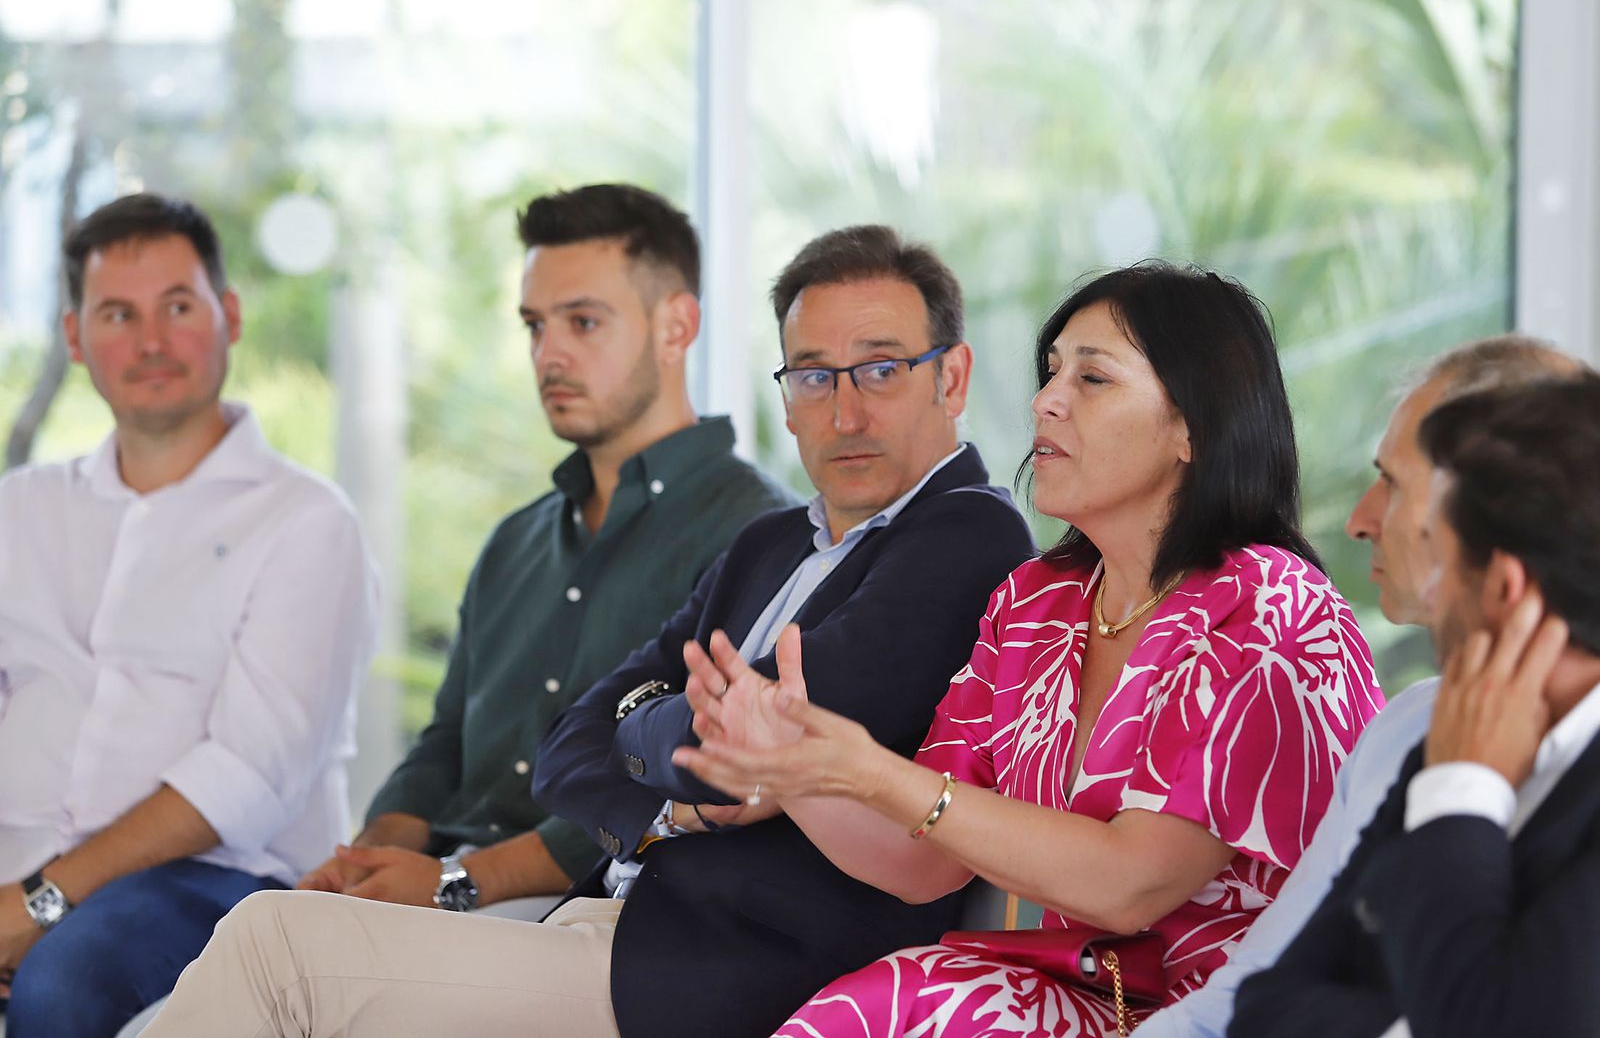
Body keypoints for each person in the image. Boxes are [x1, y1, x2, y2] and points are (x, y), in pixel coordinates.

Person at [141, 224, 1037, 1038]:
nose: (845, 413)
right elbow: (572, 740)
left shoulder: (968, 533)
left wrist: (666, 724)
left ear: (951, 378)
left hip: (733, 970)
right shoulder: (767, 545)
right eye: (813, 375)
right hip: (613, 926)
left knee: (276, 946)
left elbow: (755, 729)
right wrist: (681, 780)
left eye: (881, 370)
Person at [673, 262, 1386, 1037]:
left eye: (1093, 378)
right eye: (1052, 373)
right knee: (887, 1002)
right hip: (1099, 1004)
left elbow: (1131, 884)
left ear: (1192, 426)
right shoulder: (1035, 602)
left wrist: (873, 771)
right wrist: (800, 769)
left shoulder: (1272, 605)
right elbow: (921, 863)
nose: (1047, 400)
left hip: (1258, 1017)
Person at [294, 183, 792, 916]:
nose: (548, 354)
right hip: (449, 892)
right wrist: (368, 862)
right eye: (534, 325)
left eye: (583, 322)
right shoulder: (515, 542)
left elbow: (688, 779)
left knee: (259, 946)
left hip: (604, 907)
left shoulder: (758, 535)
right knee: (264, 930)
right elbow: (446, 743)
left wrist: (453, 882)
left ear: (676, 326)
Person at [0, 193, 379, 1038]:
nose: (151, 341)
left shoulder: (307, 523)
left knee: (63, 987)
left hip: (215, 880)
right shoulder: (19, 510)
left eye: (177, 306)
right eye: (118, 314)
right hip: (17, 867)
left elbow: (244, 776)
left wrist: (40, 901)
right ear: (74, 338)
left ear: (229, 316)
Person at [1133, 335, 1586, 1038]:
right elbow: (1261, 1002)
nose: (1359, 521)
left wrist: (1462, 788)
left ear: (1503, 580)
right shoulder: (1419, 731)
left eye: (1396, 485)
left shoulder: (1448, 757)